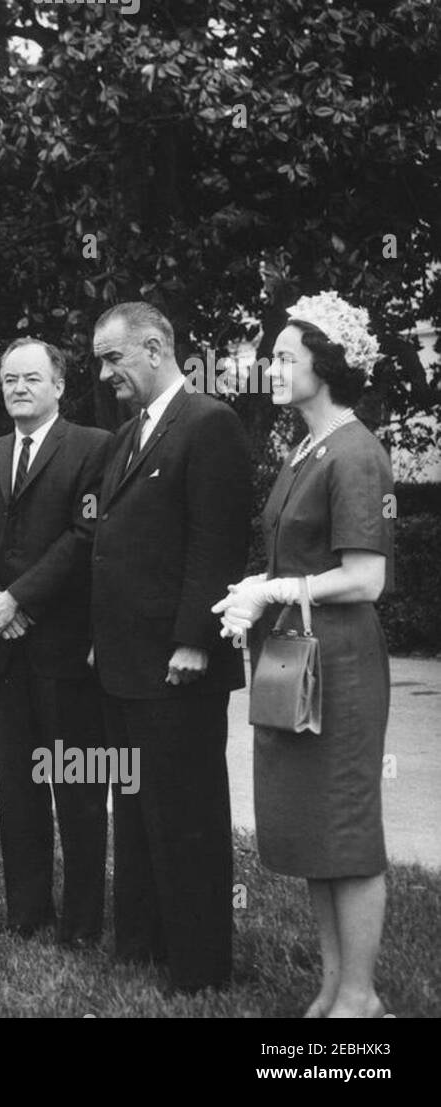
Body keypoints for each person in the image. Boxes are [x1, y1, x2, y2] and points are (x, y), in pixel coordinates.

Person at [212, 292, 391, 1018]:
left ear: (328, 362)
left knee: (346, 826)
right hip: (299, 656)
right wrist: (259, 584)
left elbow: (366, 578)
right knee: (316, 828)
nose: (272, 367)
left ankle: (362, 992)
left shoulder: (357, 451)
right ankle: (332, 984)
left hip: (341, 664)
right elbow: (300, 554)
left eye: (287, 356)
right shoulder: (307, 448)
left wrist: (278, 586)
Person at [90, 301, 251, 991]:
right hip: (128, 664)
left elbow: (215, 540)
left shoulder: (210, 423)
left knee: (187, 812)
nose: (104, 373)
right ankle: (144, 944)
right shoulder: (130, 434)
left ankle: (200, 965)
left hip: (178, 664)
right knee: (137, 806)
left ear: (155, 348)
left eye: (113, 357)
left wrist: (195, 641)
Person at [0, 338, 112, 942]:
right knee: (18, 785)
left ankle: (81, 922)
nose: (18, 388)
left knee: (75, 786)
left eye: (31, 379)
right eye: (9, 378)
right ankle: (26, 912)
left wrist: (21, 598)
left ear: (59, 387)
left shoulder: (92, 448)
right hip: (5, 646)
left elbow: (84, 535)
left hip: (65, 646)